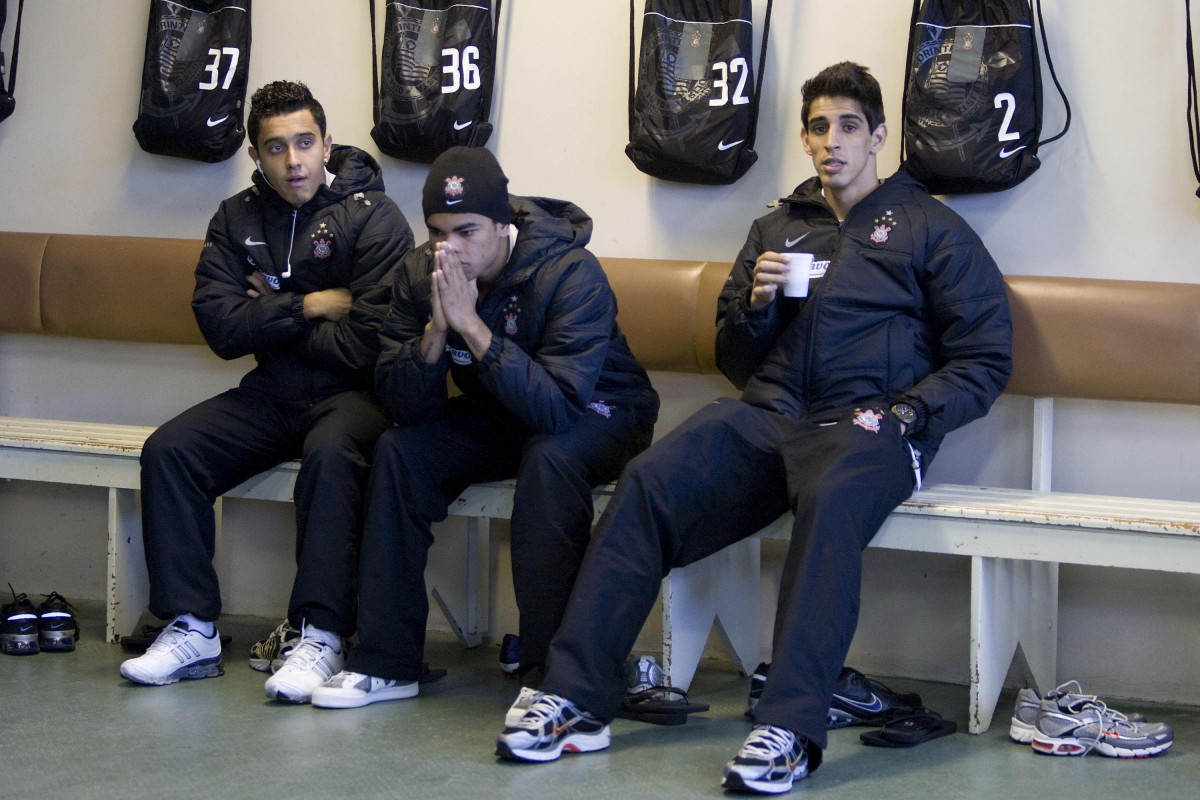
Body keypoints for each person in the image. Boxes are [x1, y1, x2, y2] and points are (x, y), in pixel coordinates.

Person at [495, 61, 1013, 794]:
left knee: (830, 504)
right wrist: (758, 306)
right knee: (646, 482)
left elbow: (986, 357)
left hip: (867, 427)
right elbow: (736, 361)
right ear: (805, 139)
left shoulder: (932, 229)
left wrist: (906, 413)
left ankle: (790, 727)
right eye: (819, 127)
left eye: (849, 126)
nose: (832, 141)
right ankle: (577, 695)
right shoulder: (778, 228)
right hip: (767, 418)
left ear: (879, 136)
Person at [309, 146, 660, 710]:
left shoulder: (570, 270)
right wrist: (432, 337)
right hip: (504, 408)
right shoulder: (421, 272)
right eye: (438, 232)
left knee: (549, 459)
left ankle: (553, 675)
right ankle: (387, 661)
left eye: (468, 231)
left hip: (600, 410)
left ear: (504, 224)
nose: (450, 249)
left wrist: (472, 328)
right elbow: (406, 409)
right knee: (400, 450)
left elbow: (557, 409)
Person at [119, 81, 414, 704]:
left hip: (354, 396)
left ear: (327, 144)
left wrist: (273, 315)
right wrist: (310, 304)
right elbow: (220, 328)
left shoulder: (376, 217)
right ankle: (192, 627)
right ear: (256, 155)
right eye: (276, 148)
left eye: (305, 143)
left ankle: (321, 632)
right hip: (271, 392)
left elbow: (367, 344)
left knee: (332, 459)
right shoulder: (236, 217)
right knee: (171, 450)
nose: (294, 161)